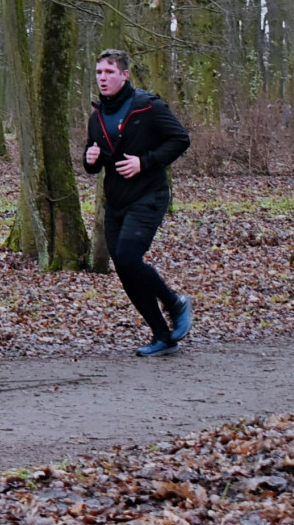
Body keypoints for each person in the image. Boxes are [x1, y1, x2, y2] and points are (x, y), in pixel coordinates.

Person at [83, 48, 193, 357]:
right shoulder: (98, 116)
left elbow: (180, 139)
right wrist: (90, 159)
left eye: (109, 72)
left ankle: (175, 303)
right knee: (124, 267)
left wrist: (144, 162)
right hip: (115, 202)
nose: (103, 79)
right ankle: (162, 336)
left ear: (124, 75)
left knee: (129, 258)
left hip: (149, 195)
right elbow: (94, 160)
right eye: (99, 73)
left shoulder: (148, 107)